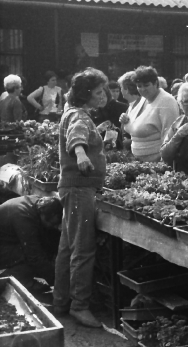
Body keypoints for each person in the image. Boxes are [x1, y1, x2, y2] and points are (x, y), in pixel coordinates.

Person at [54, 67, 108, 328]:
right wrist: (82, 155)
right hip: (79, 189)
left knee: (68, 247)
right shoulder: (78, 116)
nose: (102, 96)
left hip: (73, 188)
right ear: (86, 93)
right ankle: (79, 306)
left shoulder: (74, 112)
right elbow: (76, 136)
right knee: (83, 249)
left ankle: (61, 301)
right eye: (98, 92)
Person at [0, 196, 62, 292]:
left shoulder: (39, 205)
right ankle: (15, 279)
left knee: (44, 246)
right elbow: (34, 255)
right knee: (32, 254)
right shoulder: (23, 216)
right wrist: (58, 282)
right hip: (3, 247)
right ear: (42, 214)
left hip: (9, 241)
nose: (53, 226)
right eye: (51, 223)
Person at [120, 66, 179, 162]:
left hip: (156, 163)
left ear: (156, 83)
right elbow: (137, 126)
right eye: (139, 86)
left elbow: (170, 135)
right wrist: (127, 121)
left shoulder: (167, 101)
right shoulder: (143, 99)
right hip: (138, 161)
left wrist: (163, 165)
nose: (142, 89)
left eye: (146, 85)